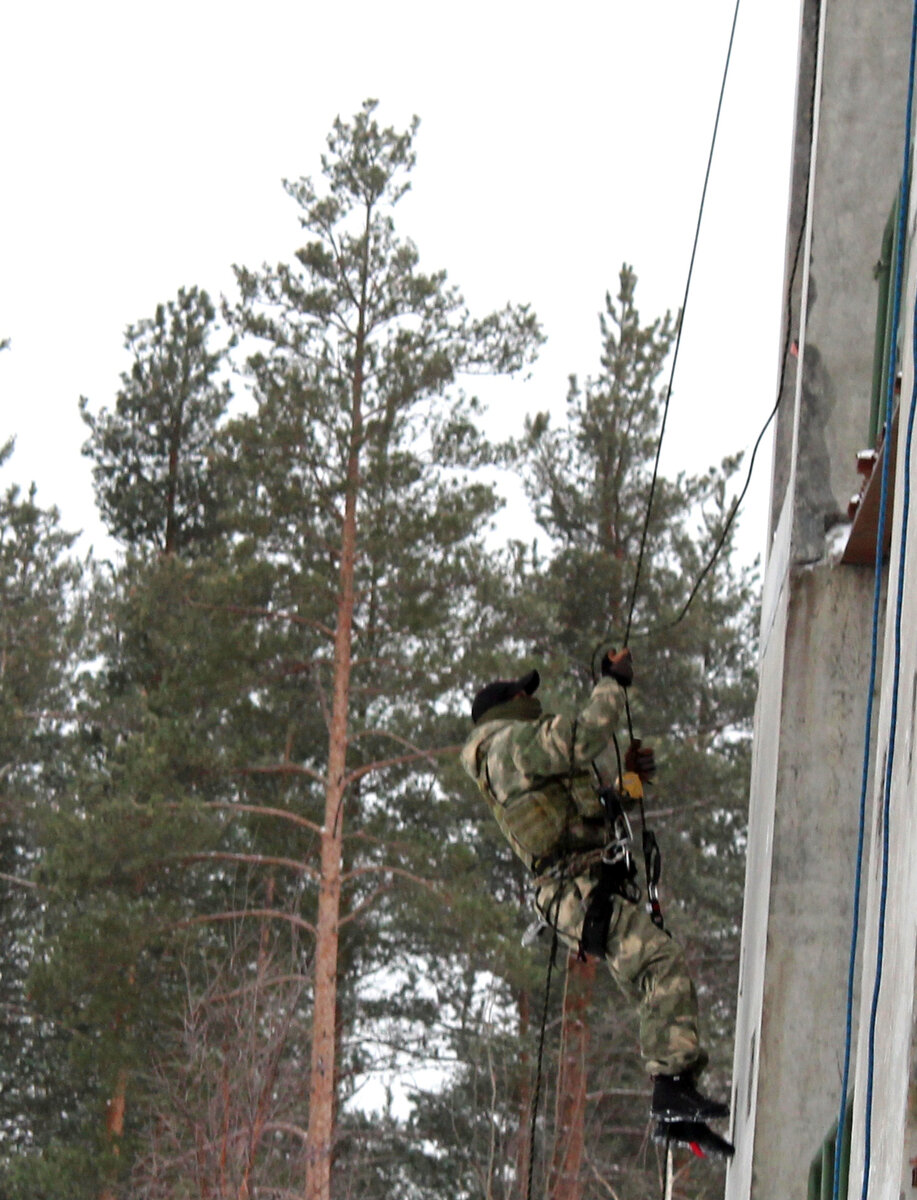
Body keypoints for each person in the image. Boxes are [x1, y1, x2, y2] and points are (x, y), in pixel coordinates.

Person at [461, 650, 733, 1154]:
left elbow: (583, 815)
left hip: (584, 888)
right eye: (525, 694)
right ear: (507, 707)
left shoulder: (516, 757)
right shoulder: (508, 746)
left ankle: (680, 1099)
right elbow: (585, 735)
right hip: (575, 893)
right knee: (660, 963)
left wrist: (625, 788)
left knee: (652, 977)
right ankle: (672, 1095)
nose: (534, 699)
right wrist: (612, 683)